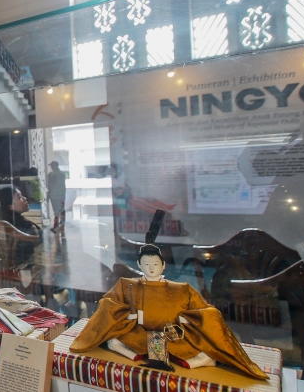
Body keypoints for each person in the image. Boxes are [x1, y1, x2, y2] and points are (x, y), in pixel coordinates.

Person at [70, 244, 267, 379]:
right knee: (116, 341)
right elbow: (109, 304)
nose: (151, 268)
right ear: (139, 265)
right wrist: (131, 315)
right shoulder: (127, 284)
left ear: (163, 265)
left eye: (155, 264)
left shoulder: (180, 289)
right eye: (146, 264)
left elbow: (206, 311)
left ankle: (202, 359)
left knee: (189, 347)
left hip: (171, 334)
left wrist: (186, 319)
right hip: (137, 331)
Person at [46, 161, 66, 231]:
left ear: (54, 166)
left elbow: (50, 186)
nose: (51, 167)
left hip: (53, 195)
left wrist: (48, 196)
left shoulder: (51, 174)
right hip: (62, 195)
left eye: (51, 166)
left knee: (56, 211)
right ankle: (62, 223)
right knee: (61, 209)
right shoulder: (63, 174)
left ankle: (56, 226)